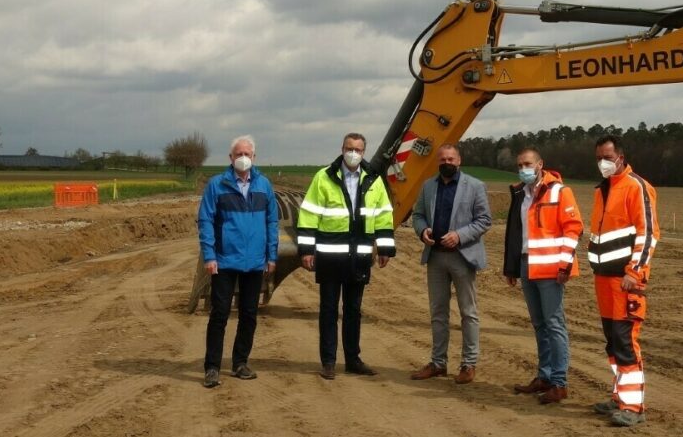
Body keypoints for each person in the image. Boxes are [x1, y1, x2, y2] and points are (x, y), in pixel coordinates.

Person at [298, 133, 395, 380]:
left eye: (358, 149)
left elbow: (383, 214)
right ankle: (328, 362)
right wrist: (307, 250)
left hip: (359, 257)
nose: (354, 153)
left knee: (353, 310)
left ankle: (353, 360)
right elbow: (309, 215)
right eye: (350, 148)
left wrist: (384, 248)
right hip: (330, 256)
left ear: (364, 152)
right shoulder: (324, 177)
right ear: (342, 149)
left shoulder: (373, 179)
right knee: (328, 310)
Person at [587, 134, 660, 426]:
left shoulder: (637, 187)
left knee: (626, 342)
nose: (602, 163)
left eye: (607, 157)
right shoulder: (602, 190)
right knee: (613, 343)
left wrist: (635, 271)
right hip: (604, 279)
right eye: (598, 158)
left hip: (625, 280)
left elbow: (649, 233)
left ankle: (633, 407)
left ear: (620, 156)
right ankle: (620, 397)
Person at [197, 135, 279, 388]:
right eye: (238, 154)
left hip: (254, 262)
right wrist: (209, 256)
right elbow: (206, 221)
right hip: (224, 261)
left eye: (247, 154)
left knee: (249, 314)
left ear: (254, 157)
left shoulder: (264, 186)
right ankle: (212, 367)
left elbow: (271, 222)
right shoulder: (217, 185)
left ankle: (240, 362)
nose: (243, 158)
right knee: (220, 314)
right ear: (230, 158)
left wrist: (271, 255)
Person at [503, 148, 583, 405]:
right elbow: (515, 234)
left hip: (551, 270)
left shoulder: (560, 191)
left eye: (527, 163)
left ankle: (559, 383)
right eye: (519, 165)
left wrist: (564, 265)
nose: (523, 168)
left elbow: (574, 229)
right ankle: (545, 376)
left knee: (554, 324)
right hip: (527, 265)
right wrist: (512, 267)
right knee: (539, 325)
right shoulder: (521, 194)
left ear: (540, 165)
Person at [410, 144, 492, 384]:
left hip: (462, 256)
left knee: (468, 312)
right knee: (438, 312)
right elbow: (418, 215)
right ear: (438, 162)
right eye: (443, 159)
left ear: (459, 161)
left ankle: (468, 364)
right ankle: (438, 363)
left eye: (451, 158)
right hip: (435, 257)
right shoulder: (428, 186)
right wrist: (422, 229)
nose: (447, 162)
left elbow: (485, 220)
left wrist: (460, 235)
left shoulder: (474, 186)